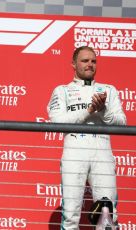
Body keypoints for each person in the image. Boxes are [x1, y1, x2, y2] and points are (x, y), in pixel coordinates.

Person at [47, 46, 126, 229]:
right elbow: (58, 122)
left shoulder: (109, 90)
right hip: (74, 151)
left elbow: (122, 123)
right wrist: (89, 110)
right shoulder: (62, 91)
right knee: (71, 214)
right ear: (73, 64)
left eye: (93, 61)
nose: (90, 64)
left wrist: (103, 111)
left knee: (108, 212)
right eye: (85, 61)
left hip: (103, 150)